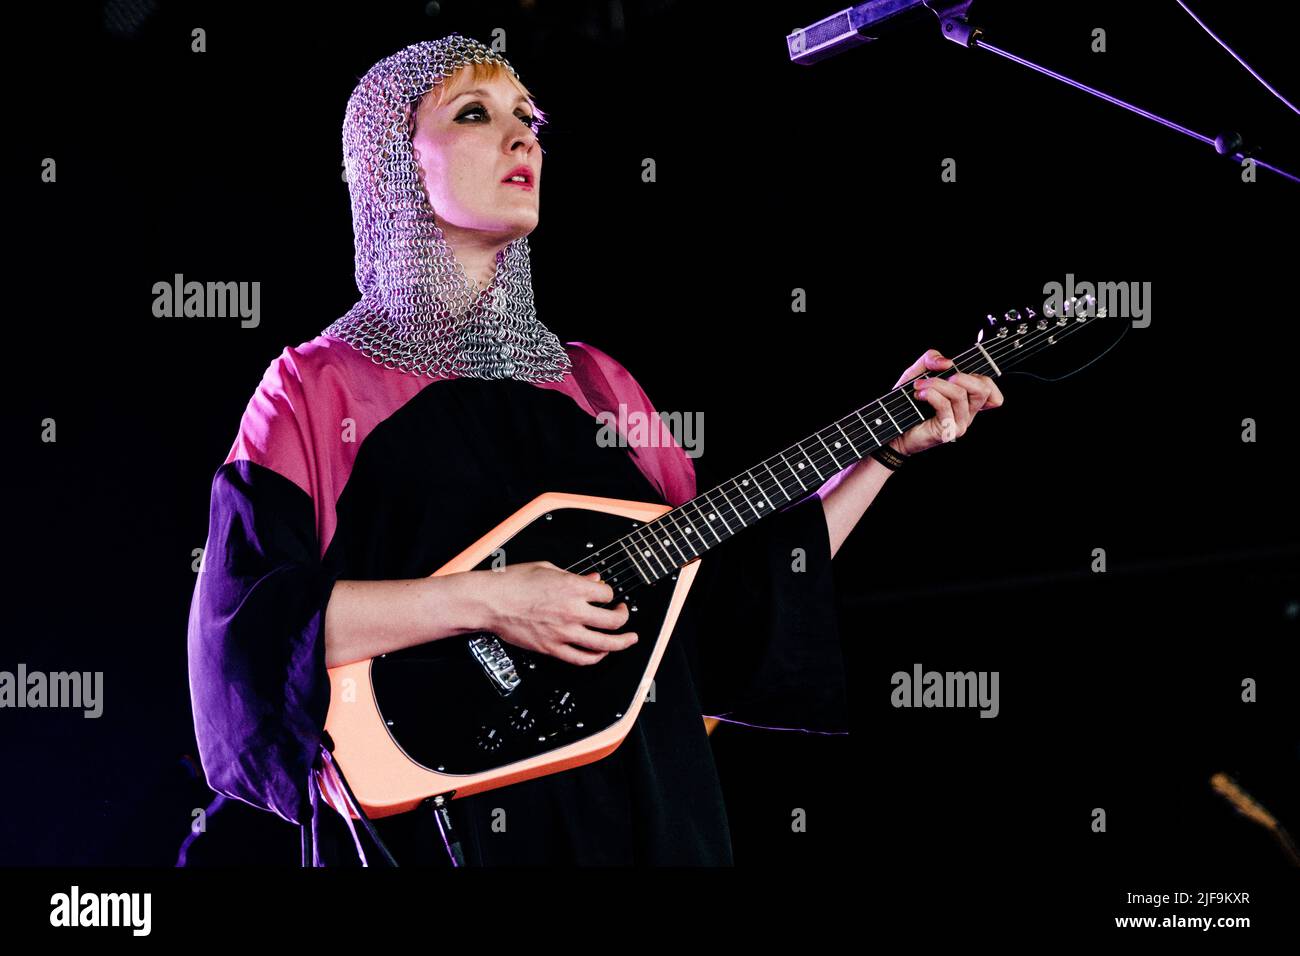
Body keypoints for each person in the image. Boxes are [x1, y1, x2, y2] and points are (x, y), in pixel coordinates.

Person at [185, 34, 1003, 867]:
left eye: (528, 118)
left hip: (653, 820)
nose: (522, 138)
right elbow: (246, 639)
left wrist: (884, 453)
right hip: (446, 832)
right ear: (395, 164)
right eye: (476, 113)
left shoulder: (599, 384)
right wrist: (493, 602)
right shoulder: (314, 388)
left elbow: (720, 604)